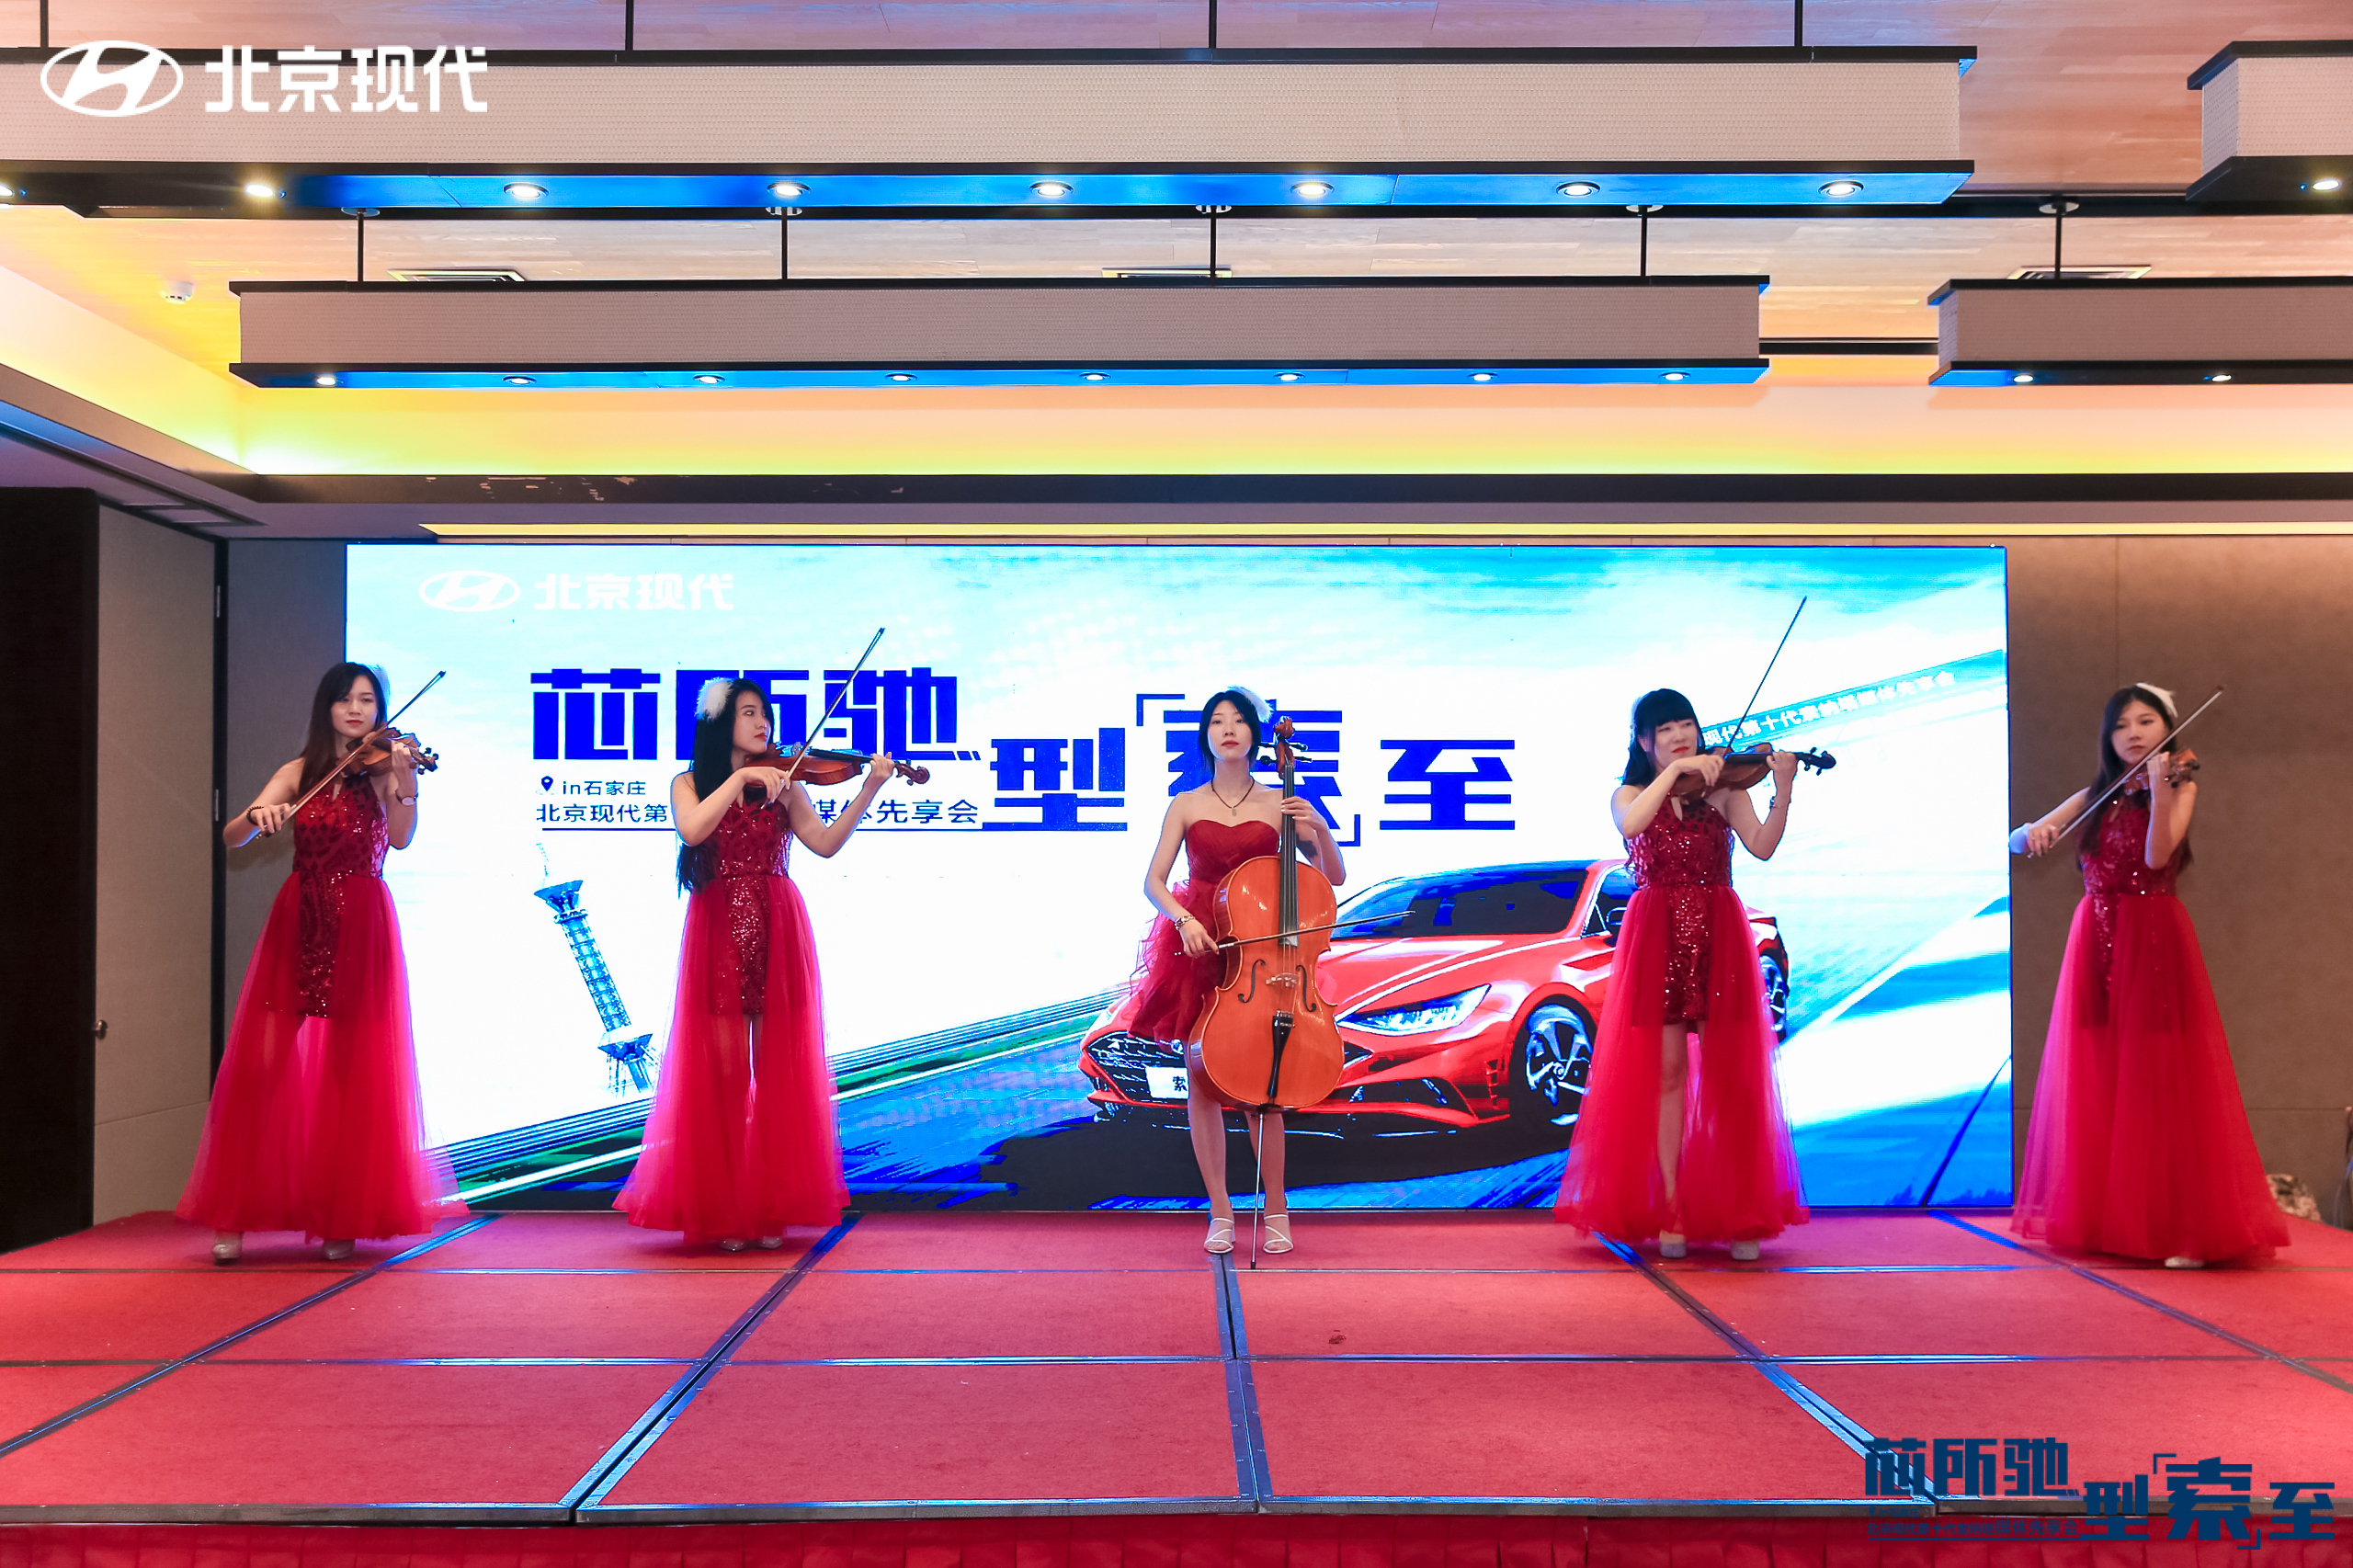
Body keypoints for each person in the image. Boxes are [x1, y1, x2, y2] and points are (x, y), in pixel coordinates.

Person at [180, 663, 453, 1263]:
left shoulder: (385, 768)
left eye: (368, 700)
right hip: (299, 920)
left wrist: (406, 779)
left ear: (380, 711)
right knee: (260, 1070)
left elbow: (400, 837)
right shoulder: (297, 772)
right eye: (345, 699)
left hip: (360, 924)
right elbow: (233, 837)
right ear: (326, 707)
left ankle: (341, 1217)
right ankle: (232, 1216)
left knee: (353, 1075)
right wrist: (257, 817)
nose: (356, 710)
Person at [2008, 684, 2286, 1267]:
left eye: (2146, 721)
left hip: (2152, 938)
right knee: (2104, 1075)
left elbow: (2158, 857)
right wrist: (2033, 832)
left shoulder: (2181, 786)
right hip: (2096, 937)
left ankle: (2184, 1230)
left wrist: (2160, 790)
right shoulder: (2096, 795)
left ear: (2168, 728)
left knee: (2161, 1081)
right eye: (2121, 725)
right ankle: (2113, 1221)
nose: (2133, 733)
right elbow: (2017, 841)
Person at [618, 677, 887, 1249]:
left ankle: (769, 1210)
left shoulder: (786, 782)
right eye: (747, 713)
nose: (762, 723)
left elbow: (825, 843)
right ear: (722, 725)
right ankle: (722, 1211)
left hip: (778, 926)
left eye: (764, 713)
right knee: (722, 1078)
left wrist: (869, 788)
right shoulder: (690, 783)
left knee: (778, 1074)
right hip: (718, 929)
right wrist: (740, 779)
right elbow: (692, 829)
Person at [1555, 688, 1808, 1260]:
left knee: (1729, 1078)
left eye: (1686, 724)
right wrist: (1675, 774)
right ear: (1644, 742)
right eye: (1665, 729)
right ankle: (1671, 1207)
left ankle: (1741, 1213)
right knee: (1667, 1075)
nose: (1679, 735)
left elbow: (1762, 846)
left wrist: (1783, 789)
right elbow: (1633, 824)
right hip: (1658, 937)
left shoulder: (1725, 789)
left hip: (1719, 933)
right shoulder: (1630, 794)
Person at [1131, 687, 1346, 1256]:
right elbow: (1153, 881)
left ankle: (1275, 1208)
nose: (1228, 730)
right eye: (1217, 722)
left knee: (1263, 1088)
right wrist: (1182, 920)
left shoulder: (1280, 802)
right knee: (1202, 1080)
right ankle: (1220, 1211)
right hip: (1201, 941)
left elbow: (1333, 877)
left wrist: (1321, 830)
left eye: (1238, 721)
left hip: (1263, 943)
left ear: (1255, 734)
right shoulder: (1185, 803)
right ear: (1205, 736)